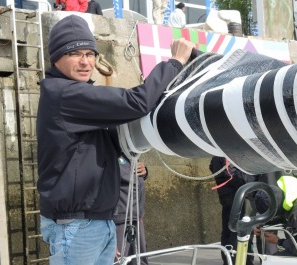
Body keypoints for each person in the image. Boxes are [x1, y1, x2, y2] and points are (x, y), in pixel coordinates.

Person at [37, 14, 194, 265]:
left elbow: (112, 144)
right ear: (56, 58)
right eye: (75, 54)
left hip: (98, 221)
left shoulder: (77, 97)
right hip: (77, 225)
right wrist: (175, 63)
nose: (85, 62)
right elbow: (136, 102)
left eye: (91, 54)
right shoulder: (64, 94)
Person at [209, 157, 256, 265]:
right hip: (239, 196)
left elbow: (215, 168)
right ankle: (239, 260)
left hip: (228, 196)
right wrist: (249, 186)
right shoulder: (226, 152)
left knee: (229, 230)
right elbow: (230, 173)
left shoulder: (218, 154)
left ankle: (230, 260)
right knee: (239, 231)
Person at [114, 155, 149, 265]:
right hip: (118, 220)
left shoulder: (132, 152)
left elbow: (136, 183)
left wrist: (145, 171)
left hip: (136, 218)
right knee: (118, 260)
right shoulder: (109, 150)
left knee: (140, 260)